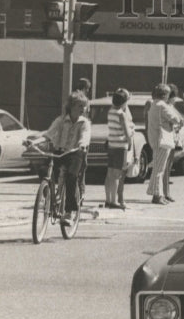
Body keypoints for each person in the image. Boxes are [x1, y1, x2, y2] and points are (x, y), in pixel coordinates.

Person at [26, 91, 91, 227]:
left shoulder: (84, 123)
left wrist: (82, 144)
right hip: (60, 152)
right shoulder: (60, 120)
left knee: (72, 176)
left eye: (84, 106)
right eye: (80, 106)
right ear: (72, 106)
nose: (83, 109)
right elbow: (48, 135)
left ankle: (69, 212)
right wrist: (34, 142)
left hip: (75, 152)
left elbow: (85, 136)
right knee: (44, 170)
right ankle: (48, 196)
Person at [145, 84, 184, 205]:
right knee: (159, 170)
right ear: (165, 95)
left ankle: (155, 192)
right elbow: (176, 119)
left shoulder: (153, 104)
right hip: (163, 140)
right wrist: (179, 121)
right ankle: (157, 196)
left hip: (155, 139)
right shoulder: (162, 106)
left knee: (157, 167)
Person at [105, 88, 135, 209]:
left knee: (109, 174)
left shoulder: (110, 111)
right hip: (120, 146)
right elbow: (127, 133)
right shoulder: (121, 114)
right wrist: (130, 142)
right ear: (124, 102)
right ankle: (114, 201)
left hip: (111, 145)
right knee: (117, 174)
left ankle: (108, 199)